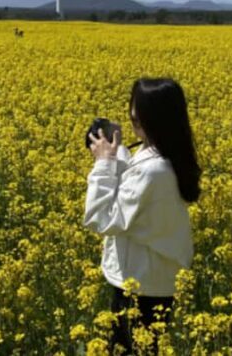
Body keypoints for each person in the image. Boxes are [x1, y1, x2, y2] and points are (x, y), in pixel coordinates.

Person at [84, 78, 201, 355]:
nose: (133, 125)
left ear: (155, 123)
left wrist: (103, 163)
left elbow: (101, 218)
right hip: (152, 282)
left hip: (140, 288)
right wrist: (117, 151)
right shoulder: (169, 157)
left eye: (137, 121)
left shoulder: (153, 171)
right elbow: (134, 188)